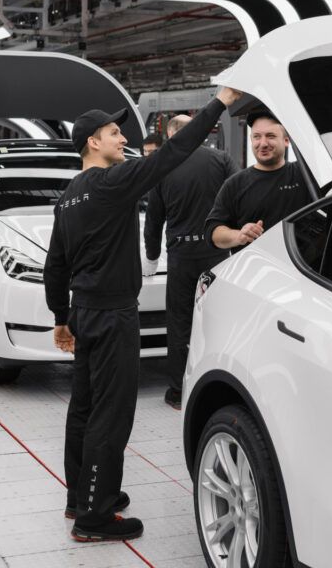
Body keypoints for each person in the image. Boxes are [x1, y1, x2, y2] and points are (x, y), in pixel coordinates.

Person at [43, 87, 241, 542]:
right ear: (93, 141)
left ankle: (82, 497)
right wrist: (220, 103)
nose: (121, 139)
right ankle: (95, 518)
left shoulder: (69, 196)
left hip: (85, 313)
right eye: (114, 133)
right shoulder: (112, 185)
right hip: (114, 317)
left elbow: (56, 265)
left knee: (84, 408)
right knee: (111, 416)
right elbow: (172, 153)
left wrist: (61, 317)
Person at [141, 114, 237, 410]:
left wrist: (152, 259)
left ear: (170, 136)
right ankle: (220, 390)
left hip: (181, 258)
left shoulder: (163, 166)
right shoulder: (221, 159)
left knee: (180, 324)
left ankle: (177, 392)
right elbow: (240, 194)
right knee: (218, 321)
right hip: (217, 255)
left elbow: (154, 220)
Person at [205, 110, 313, 255]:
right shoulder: (235, 184)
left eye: (271, 136)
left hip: (305, 272)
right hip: (255, 273)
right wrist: (239, 235)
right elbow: (213, 232)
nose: (263, 143)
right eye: (257, 137)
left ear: (286, 141)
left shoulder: (305, 176)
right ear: (251, 140)